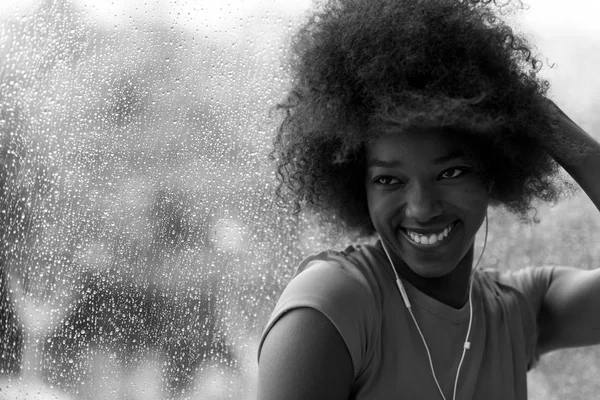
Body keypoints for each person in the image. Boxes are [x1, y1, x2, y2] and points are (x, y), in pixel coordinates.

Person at [257, 0, 600, 399]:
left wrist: (541, 120)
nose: (421, 208)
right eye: (388, 179)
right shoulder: (331, 310)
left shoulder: (515, 313)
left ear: (494, 168)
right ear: (358, 186)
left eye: (450, 172)